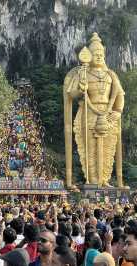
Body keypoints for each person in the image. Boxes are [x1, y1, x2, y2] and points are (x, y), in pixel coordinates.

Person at [64, 32, 125, 186]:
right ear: (88, 55)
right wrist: (81, 88)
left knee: (108, 147)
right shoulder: (82, 72)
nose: (98, 56)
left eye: (100, 53)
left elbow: (120, 94)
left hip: (108, 113)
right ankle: (92, 180)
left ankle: (104, 180)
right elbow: (71, 94)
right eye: (95, 53)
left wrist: (117, 112)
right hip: (89, 113)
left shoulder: (111, 74)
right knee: (90, 148)